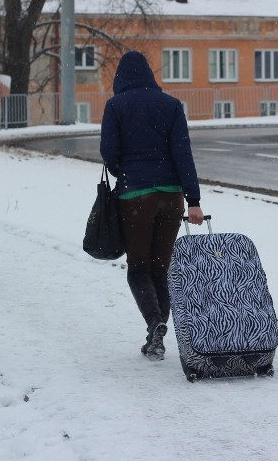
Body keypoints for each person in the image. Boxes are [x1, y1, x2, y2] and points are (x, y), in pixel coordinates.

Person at [100, 50, 205, 360]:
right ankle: (156, 335)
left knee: (138, 267)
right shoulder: (171, 106)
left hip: (135, 198)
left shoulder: (116, 106)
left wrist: (126, 171)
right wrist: (193, 200)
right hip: (171, 198)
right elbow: (183, 155)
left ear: (121, 78)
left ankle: (155, 323)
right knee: (160, 269)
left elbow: (109, 151)